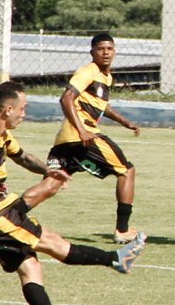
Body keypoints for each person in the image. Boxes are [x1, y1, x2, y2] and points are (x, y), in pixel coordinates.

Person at [0, 81, 146, 305]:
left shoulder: (0, 134)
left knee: (30, 267)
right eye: (22, 108)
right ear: (8, 109)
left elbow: (22, 157)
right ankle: (115, 259)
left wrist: (48, 171)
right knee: (54, 244)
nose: (25, 113)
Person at [43, 32, 142, 243]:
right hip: (83, 136)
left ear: (114, 51)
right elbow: (66, 98)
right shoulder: (88, 71)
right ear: (92, 52)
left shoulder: (106, 77)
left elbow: (101, 105)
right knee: (126, 171)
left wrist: (125, 122)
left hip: (65, 140)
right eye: (100, 48)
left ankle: (12, 217)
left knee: (51, 183)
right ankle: (122, 231)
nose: (105, 52)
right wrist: (81, 130)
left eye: (109, 48)